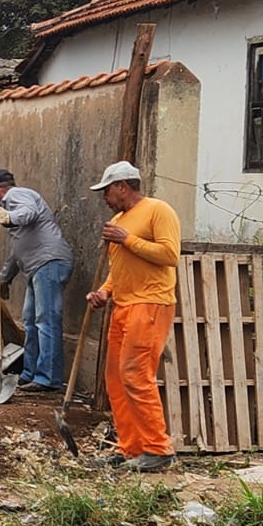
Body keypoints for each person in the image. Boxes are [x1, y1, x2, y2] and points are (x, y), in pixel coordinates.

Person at [85, 160, 182, 472]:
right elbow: (120, 268)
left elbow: (170, 255)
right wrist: (104, 291)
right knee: (115, 378)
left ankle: (158, 448)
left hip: (150, 303)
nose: (104, 198)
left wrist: (127, 238)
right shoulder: (119, 219)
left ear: (122, 187)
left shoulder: (158, 210)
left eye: (107, 191)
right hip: (123, 305)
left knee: (136, 375)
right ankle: (132, 448)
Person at [0, 169, 74, 392]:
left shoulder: (16, 195)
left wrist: (8, 216)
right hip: (37, 267)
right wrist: (3, 279)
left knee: (46, 320)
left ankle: (48, 378)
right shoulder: (15, 215)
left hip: (49, 263)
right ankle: (29, 373)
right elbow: (17, 252)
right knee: (30, 321)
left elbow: (29, 212)